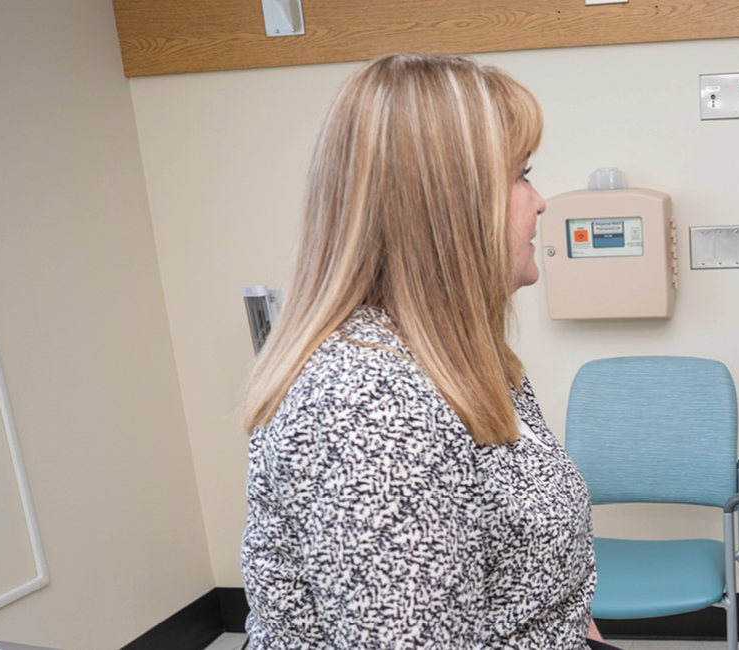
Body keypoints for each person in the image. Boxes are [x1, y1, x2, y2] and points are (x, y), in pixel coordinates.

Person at [237, 53, 615, 650]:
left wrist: (572, 623)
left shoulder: (457, 360)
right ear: (447, 206)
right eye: (521, 175)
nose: (540, 201)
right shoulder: (368, 408)